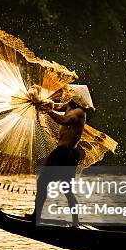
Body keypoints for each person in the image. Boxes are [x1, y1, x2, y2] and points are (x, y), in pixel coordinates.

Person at [29, 85, 95, 226]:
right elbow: (56, 106)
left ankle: (74, 222)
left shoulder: (79, 112)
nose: (68, 95)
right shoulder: (69, 107)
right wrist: (40, 101)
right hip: (61, 152)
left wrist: (48, 111)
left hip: (67, 154)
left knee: (65, 189)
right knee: (44, 184)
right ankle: (36, 217)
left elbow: (63, 120)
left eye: (71, 94)